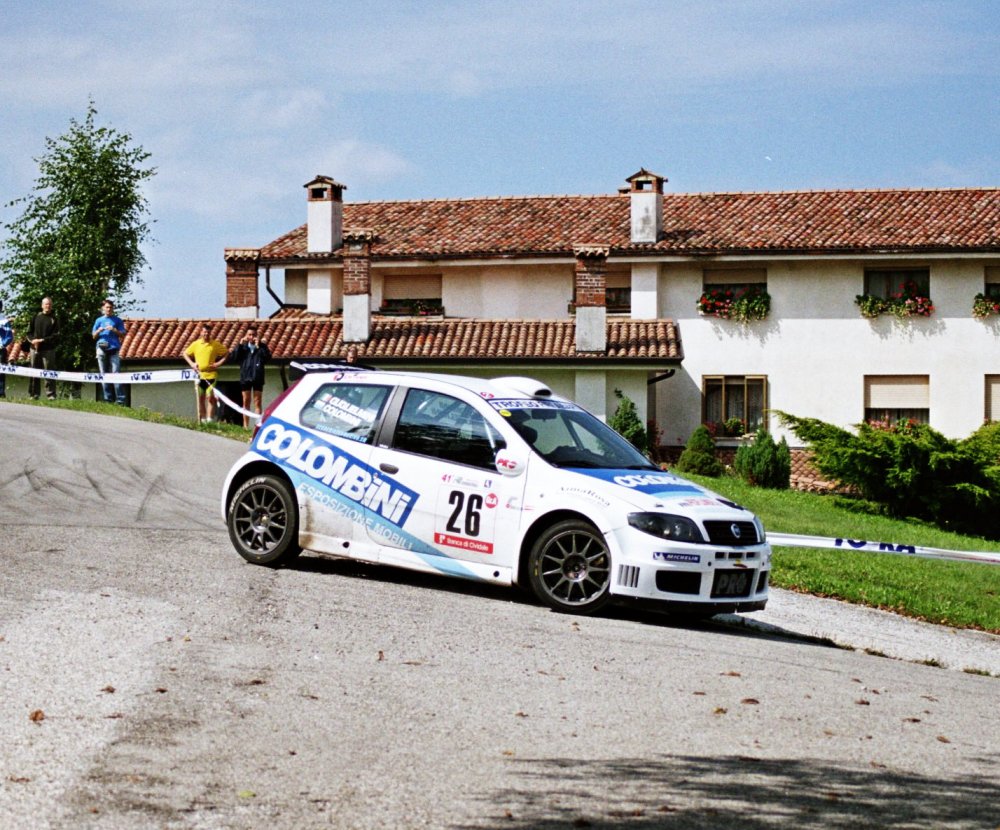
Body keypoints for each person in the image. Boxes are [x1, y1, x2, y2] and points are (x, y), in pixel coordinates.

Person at [182, 323, 228, 422]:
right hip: (200, 375)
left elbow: (226, 353)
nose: (206, 334)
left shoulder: (215, 344)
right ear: (201, 332)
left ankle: (210, 419)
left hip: (211, 374)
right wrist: (192, 364)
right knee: (200, 397)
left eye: (208, 332)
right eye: (204, 332)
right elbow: (185, 354)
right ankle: (202, 419)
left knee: (210, 397)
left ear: (210, 333)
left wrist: (218, 363)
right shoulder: (196, 344)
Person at [229, 325, 271, 428]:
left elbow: (267, 358)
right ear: (246, 336)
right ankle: (245, 426)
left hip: (258, 377)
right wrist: (239, 344)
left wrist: (258, 346)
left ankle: (257, 425)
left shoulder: (262, 347)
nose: (251, 337)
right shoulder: (243, 347)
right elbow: (234, 358)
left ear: (257, 336)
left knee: (257, 401)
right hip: (245, 377)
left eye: (253, 335)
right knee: (246, 401)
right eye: (249, 335)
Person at [91, 298, 127, 405]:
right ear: (103, 308)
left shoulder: (117, 320)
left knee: (116, 373)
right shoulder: (98, 320)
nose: (109, 309)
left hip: (114, 348)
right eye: (107, 307)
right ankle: (108, 399)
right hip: (101, 347)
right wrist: (99, 330)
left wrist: (114, 330)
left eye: (110, 307)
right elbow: (93, 336)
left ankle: (120, 400)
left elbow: (123, 334)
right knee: (103, 374)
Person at [28, 297, 59, 400]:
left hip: (48, 349)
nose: (48, 306)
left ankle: (51, 395)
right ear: (42, 305)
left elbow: (55, 336)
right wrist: (33, 341)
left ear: (51, 306)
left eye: (49, 304)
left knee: (49, 372)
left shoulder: (54, 319)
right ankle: (34, 394)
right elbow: (29, 332)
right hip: (34, 349)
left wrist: (42, 340)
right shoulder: (36, 317)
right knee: (33, 371)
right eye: (46, 304)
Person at [0, 300, 13, 398]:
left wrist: (2, 345)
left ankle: (0, 393)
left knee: (0, 372)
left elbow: (9, 336)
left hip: (0, 350)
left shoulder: (4, 321)